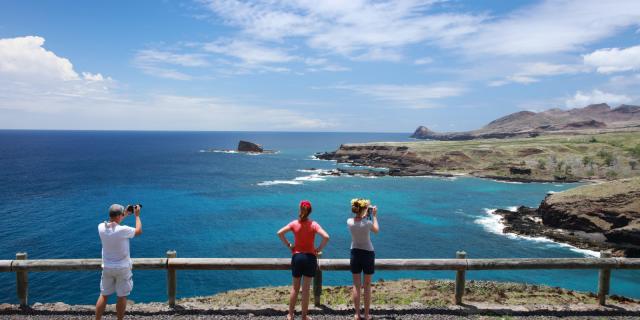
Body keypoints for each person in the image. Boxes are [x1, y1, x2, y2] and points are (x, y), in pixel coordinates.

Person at [277, 200, 330, 320]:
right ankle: (304, 316)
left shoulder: (294, 224)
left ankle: (290, 315)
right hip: (310, 258)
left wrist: (289, 245)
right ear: (309, 212)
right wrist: (318, 249)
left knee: (295, 288)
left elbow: (279, 233)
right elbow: (326, 236)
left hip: (297, 257)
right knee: (306, 290)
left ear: (300, 210)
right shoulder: (314, 224)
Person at [95, 204, 142, 320]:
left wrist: (124, 214)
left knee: (104, 295)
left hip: (107, 268)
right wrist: (136, 216)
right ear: (119, 216)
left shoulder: (101, 227)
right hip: (122, 269)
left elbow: (114, 223)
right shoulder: (123, 230)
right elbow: (139, 231)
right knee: (122, 296)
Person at [348, 198, 379, 320]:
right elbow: (376, 230)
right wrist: (374, 216)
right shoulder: (368, 223)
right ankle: (366, 314)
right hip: (368, 254)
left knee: (356, 285)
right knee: (367, 285)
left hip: (355, 252)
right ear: (364, 210)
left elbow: (358, 220)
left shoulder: (349, 221)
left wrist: (365, 213)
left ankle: (357, 314)